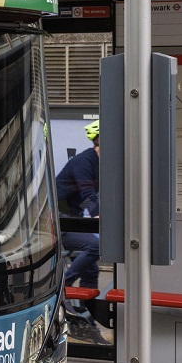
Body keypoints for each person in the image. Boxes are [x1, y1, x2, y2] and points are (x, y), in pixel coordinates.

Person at [57, 119, 102, 317]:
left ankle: (86, 313)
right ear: (100, 140)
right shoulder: (84, 161)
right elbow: (87, 192)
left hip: (72, 216)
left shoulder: (98, 163)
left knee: (91, 271)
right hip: (57, 219)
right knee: (96, 246)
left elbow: (84, 198)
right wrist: (96, 213)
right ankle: (65, 283)